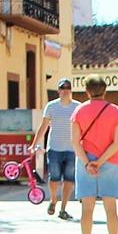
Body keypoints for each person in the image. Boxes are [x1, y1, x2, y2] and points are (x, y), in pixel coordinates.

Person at [70, 77, 118, 234]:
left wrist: (88, 163)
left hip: (85, 162)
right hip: (110, 162)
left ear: (86, 91)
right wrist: (100, 162)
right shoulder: (115, 111)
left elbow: (75, 142)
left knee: (87, 209)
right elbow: (117, 142)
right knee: (111, 209)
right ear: (105, 90)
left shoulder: (78, 111)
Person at [32, 78, 78, 219]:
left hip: (72, 149)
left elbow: (84, 128)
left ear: (71, 90)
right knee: (54, 178)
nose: (65, 91)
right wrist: (34, 144)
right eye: (62, 88)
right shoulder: (51, 106)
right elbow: (44, 126)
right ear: (58, 91)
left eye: (67, 88)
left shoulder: (78, 107)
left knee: (69, 179)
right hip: (54, 149)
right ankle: (53, 200)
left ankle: (63, 208)